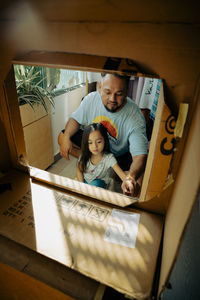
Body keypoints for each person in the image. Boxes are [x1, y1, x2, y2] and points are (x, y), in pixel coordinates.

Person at [58, 73, 148, 196]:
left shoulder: (135, 116)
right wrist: (67, 136)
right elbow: (75, 120)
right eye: (107, 92)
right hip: (96, 147)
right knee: (62, 137)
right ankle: (96, 163)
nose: (112, 99)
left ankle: (109, 169)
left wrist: (130, 177)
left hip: (119, 155)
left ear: (127, 91)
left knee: (136, 184)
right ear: (100, 87)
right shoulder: (91, 99)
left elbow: (140, 156)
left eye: (119, 93)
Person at [76, 123, 126, 188]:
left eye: (99, 142)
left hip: (98, 183)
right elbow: (79, 171)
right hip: (85, 181)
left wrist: (127, 182)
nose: (94, 146)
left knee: (96, 184)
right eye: (90, 143)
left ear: (105, 140)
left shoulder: (109, 158)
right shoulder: (84, 155)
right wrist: (82, 185)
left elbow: (122, 175)